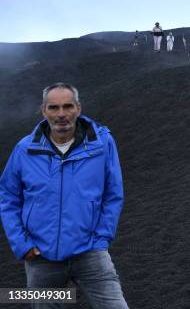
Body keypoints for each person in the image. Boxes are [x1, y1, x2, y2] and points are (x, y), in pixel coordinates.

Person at [0, 83, 129, 308]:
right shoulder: (25, 149)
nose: (61, 114)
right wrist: (22, 244)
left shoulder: (102, 144)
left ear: (78, 108)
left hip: (90, 254)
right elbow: (8, 197)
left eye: (67, 106)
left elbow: (113, 193)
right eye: (54, 107)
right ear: (44, 111)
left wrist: (102, 238)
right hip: (41, 258)